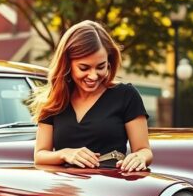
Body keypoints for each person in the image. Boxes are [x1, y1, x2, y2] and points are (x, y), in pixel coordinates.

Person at [31, 20, 152, 171]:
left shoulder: (126, 96)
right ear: (67, 64)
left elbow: (144, 150)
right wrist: (65, 154)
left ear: (109, 62)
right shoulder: (54, 99)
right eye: (84, 68)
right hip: (65, 189)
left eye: (100, 67)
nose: (93, 76)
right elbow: (40, 155)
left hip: (111, 186)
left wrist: (140, 157)